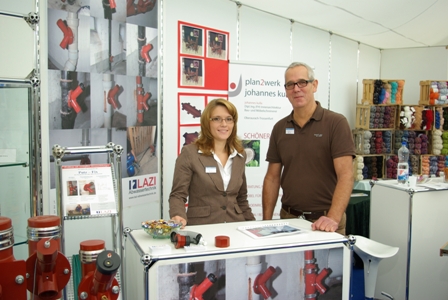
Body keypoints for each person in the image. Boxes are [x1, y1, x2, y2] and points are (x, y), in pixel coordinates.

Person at [262, 62, 355, 235]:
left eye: (302, 82)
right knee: (287, 263)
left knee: (325, 264)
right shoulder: (280, 128)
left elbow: (346, 175)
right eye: (290, 84)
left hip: (325, 222)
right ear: (286, 90)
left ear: (315, 85)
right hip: (288, 221)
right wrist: (266, 222)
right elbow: (272, 178)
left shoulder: (336, 123)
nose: (296, 89)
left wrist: (333, 218)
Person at [169, 98, 255, 227]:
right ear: (206, 123)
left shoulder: (239, 155)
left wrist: (253, 226)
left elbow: (241, 199)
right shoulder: (190, 153)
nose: (224, 124)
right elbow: (178, 195)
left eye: (229, 119)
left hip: (236, 227)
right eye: (217, 119)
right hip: (202, 227)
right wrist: (178, 215)